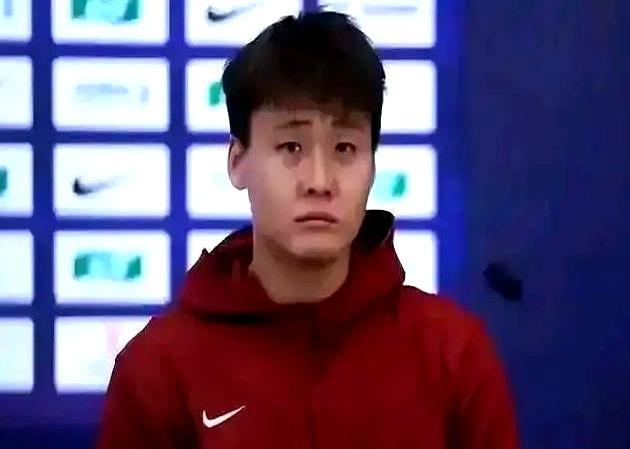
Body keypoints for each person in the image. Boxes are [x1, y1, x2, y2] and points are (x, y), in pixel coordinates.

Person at [96, 11, 520, 449]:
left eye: (345, 148)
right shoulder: (158, 370)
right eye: (291, 147)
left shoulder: (453, 352)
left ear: (373, 165)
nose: (319, 180)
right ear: (237, 162)